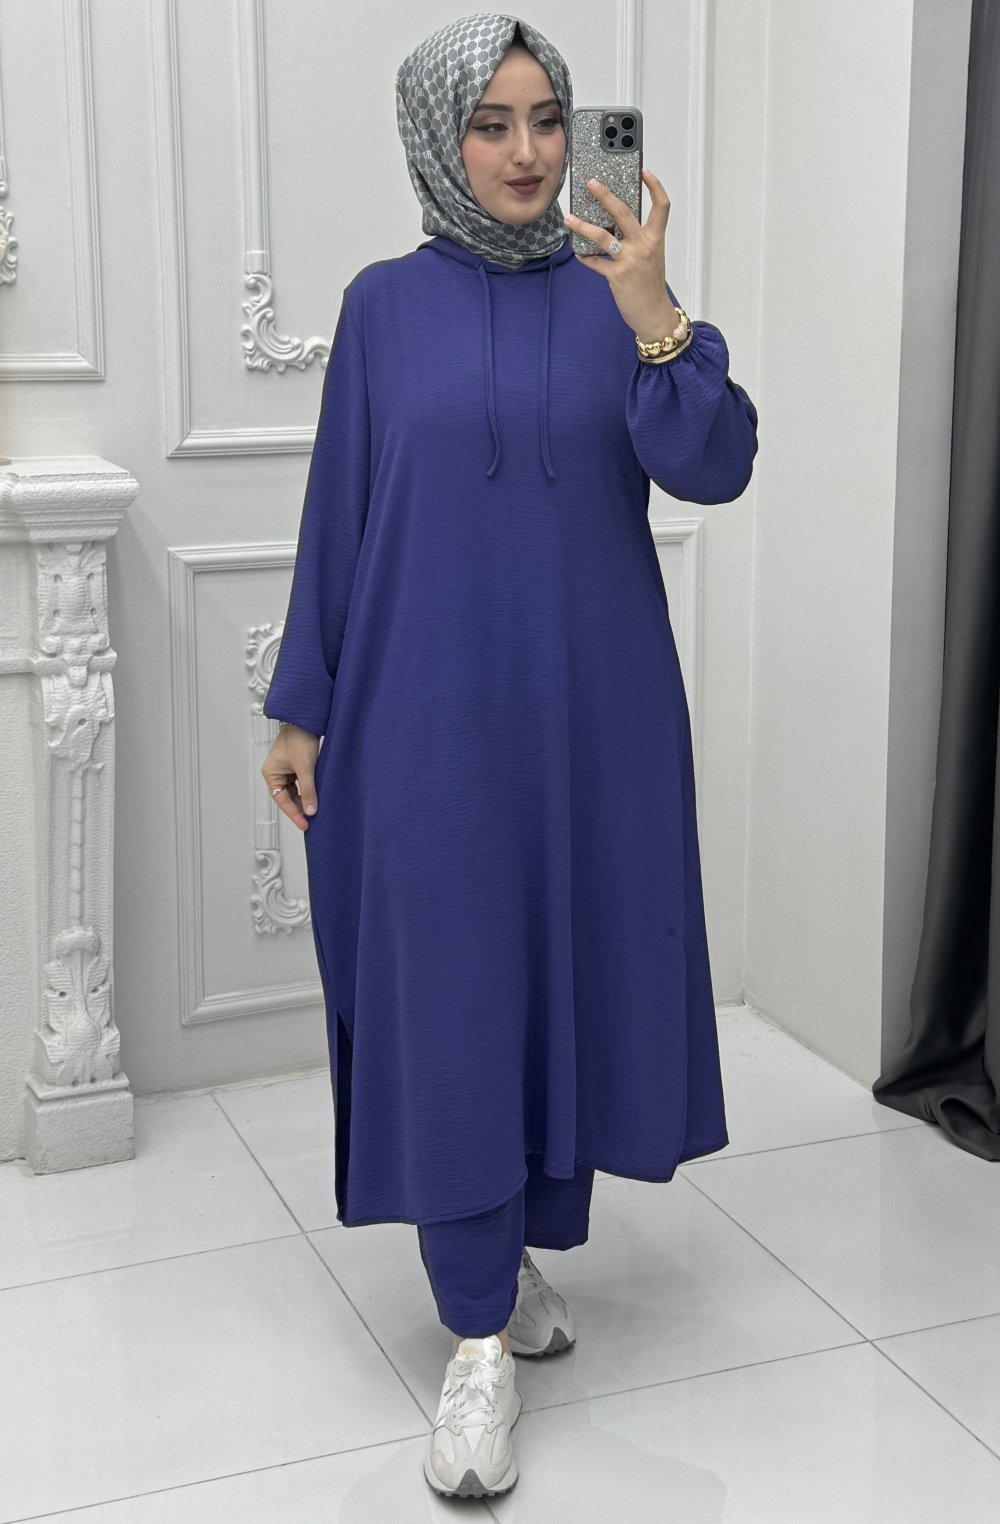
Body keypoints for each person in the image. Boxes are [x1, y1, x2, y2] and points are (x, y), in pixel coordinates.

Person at [260, 11, 758, 1501]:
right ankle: (475, 1336)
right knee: (451, 998)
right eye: (491, 122)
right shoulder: (381, 308)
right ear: (441, 138)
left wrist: (654, 309)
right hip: (422, 721)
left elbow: (715, 463)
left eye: (548, 118)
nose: (529, 152)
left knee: (563, 982)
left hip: (593, 719)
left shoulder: (623, 294)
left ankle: (508, 1253)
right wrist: (302, 703)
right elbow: (341, 511)